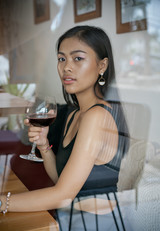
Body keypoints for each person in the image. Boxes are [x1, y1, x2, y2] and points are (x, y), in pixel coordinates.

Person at [0, 25, 129, 213]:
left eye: (78, 58)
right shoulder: (75, 113)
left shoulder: (97, 116)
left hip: (92, 226)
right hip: (72, 218)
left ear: (102, 65)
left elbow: (63, 195)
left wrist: (3, 203)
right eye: (61, 59)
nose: (66, 67)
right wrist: (43, 144)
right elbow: (60, 180)